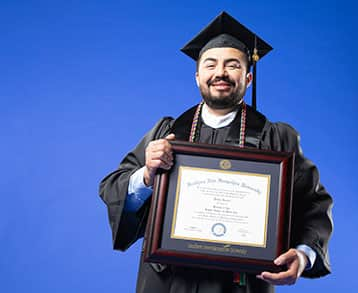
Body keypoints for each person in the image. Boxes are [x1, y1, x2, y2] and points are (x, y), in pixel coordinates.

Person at [99, 11, 333, 293]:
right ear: (198, 76)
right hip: (167, 283)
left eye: (232, 65)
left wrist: (304, 254)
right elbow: (112, 186)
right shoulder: (167, 132)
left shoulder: (276, 138)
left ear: (248, 78)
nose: (220, 73)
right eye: (211, 65)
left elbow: (314, 203)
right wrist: (147, 175)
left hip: (240, 285)